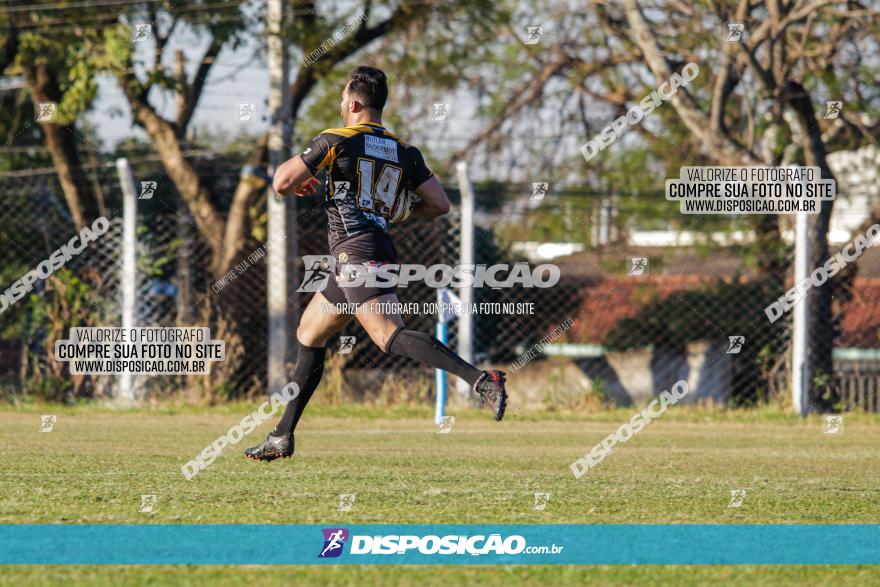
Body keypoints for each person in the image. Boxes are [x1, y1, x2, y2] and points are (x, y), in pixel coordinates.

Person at [244, 66, 507, 462]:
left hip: (357, 252)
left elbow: (281, 181)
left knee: (388, 335)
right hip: (365, 249)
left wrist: (301, 177)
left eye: (341, 100)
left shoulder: (336, 140)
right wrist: (398, 212)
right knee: (310, 333)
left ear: (352, 103)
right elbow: (439, 204)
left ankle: (482, 379)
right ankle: (282, 436)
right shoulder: (403, 150)